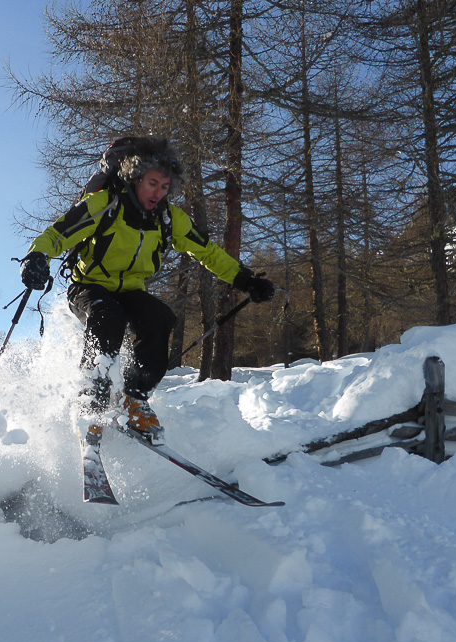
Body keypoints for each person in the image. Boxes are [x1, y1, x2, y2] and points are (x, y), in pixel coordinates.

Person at [19, 135, 274, 446]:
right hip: (88, 286)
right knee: (107, 315)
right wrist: (37, 257)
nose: (159, 192)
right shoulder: (104, 204)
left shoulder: (168, 218)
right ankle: (91, 399)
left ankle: (134, 398)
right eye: (153, 183)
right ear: (135, 178)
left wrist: (246, 280)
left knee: (159, 317)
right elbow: (57, 234)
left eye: (165, 186)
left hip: (131, 291)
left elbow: (208, 253)